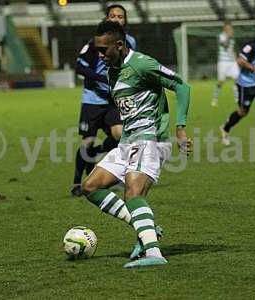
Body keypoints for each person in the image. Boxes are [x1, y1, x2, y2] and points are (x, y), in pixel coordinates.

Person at [82, 20, 191, 268]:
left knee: (133, 192)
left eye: (103, 50)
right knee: (90, 186)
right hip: (128, 142)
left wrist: (180, 128)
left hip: (151, 139)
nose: (99, 55)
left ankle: (153, 253)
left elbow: (182, 86)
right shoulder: (112, 70)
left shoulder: (142, 64)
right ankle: (144, 228)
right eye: (97, 49)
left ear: (119, 45)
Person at [71, 4, 137, 197]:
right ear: (107, 18)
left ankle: (101, 159)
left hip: (113, 100)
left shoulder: (130, 41)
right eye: (112, 16)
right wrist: (103, 80)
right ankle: (76, 182)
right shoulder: (95, 42)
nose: (117, 19)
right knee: (88, 141)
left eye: (120, 16)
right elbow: (80, 68)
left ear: (125, 20)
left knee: (120, 135)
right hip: (93, 100)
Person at [211, 21, 239, 107]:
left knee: (238, 79)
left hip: (233, 62)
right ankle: (215, 98)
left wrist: (236, 59)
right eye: (228, 28)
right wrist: (228, 37)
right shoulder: (221, 36)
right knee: (221, 81)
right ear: (225, 29)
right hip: (223, 62)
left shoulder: (232, 37)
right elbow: (224, 45)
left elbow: (231, 49)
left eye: (231, 28)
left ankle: (237, 99)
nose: (230, 30)